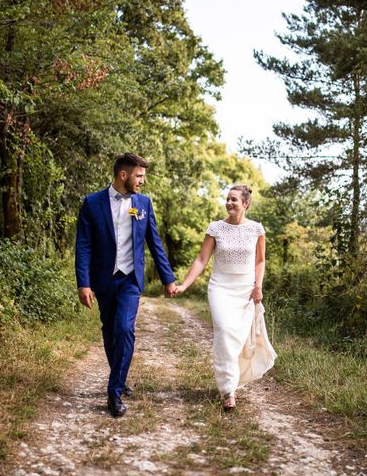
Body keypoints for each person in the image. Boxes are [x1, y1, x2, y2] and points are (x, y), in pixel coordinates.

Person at [75, 152, 177, 417]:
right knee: (110, 331)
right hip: (103, 279)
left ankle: (114, 392)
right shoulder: (92, 203)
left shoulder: (143, 203)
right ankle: (119, 377)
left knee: (125, 329)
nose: (142, 181)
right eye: (139, 175)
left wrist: (168, 279)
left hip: (131, 279)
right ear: (124, 175)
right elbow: (84, 246)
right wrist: (83, 283)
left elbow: (154, 243)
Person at [173, 185, 277, 411]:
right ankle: (228, 391)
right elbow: (202, 259)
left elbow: (260, 261)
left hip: (245, 289)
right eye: (227, 199)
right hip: (220, 287)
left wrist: (258, 286)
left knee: (237, 339)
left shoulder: (257, 230)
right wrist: (184, 285)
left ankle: (233, 379)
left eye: (234, 200)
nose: (229, 203)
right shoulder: (216, 228)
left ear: (245, 204)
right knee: (223, 332)